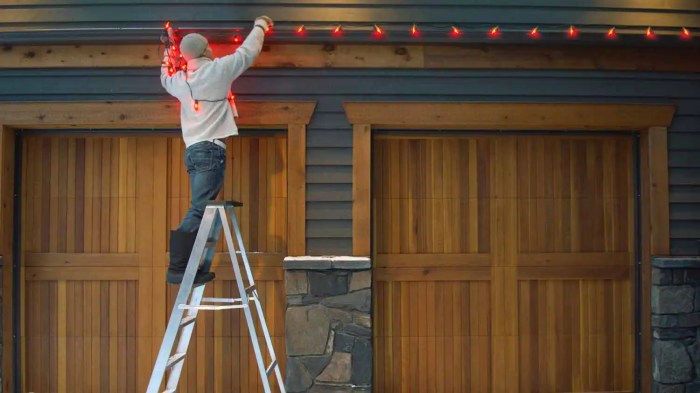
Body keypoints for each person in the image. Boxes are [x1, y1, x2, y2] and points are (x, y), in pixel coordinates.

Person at [160, 16, 273, 285]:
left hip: (194, 150)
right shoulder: (218, 71)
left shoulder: (179, 80)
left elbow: (164, 75)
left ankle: (186, 267)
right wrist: (260, 26)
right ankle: (178, 268)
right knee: (199, 209)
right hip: (210, 150)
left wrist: (167, 49)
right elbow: (247, 53)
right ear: (206, 50)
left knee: (200, 208)